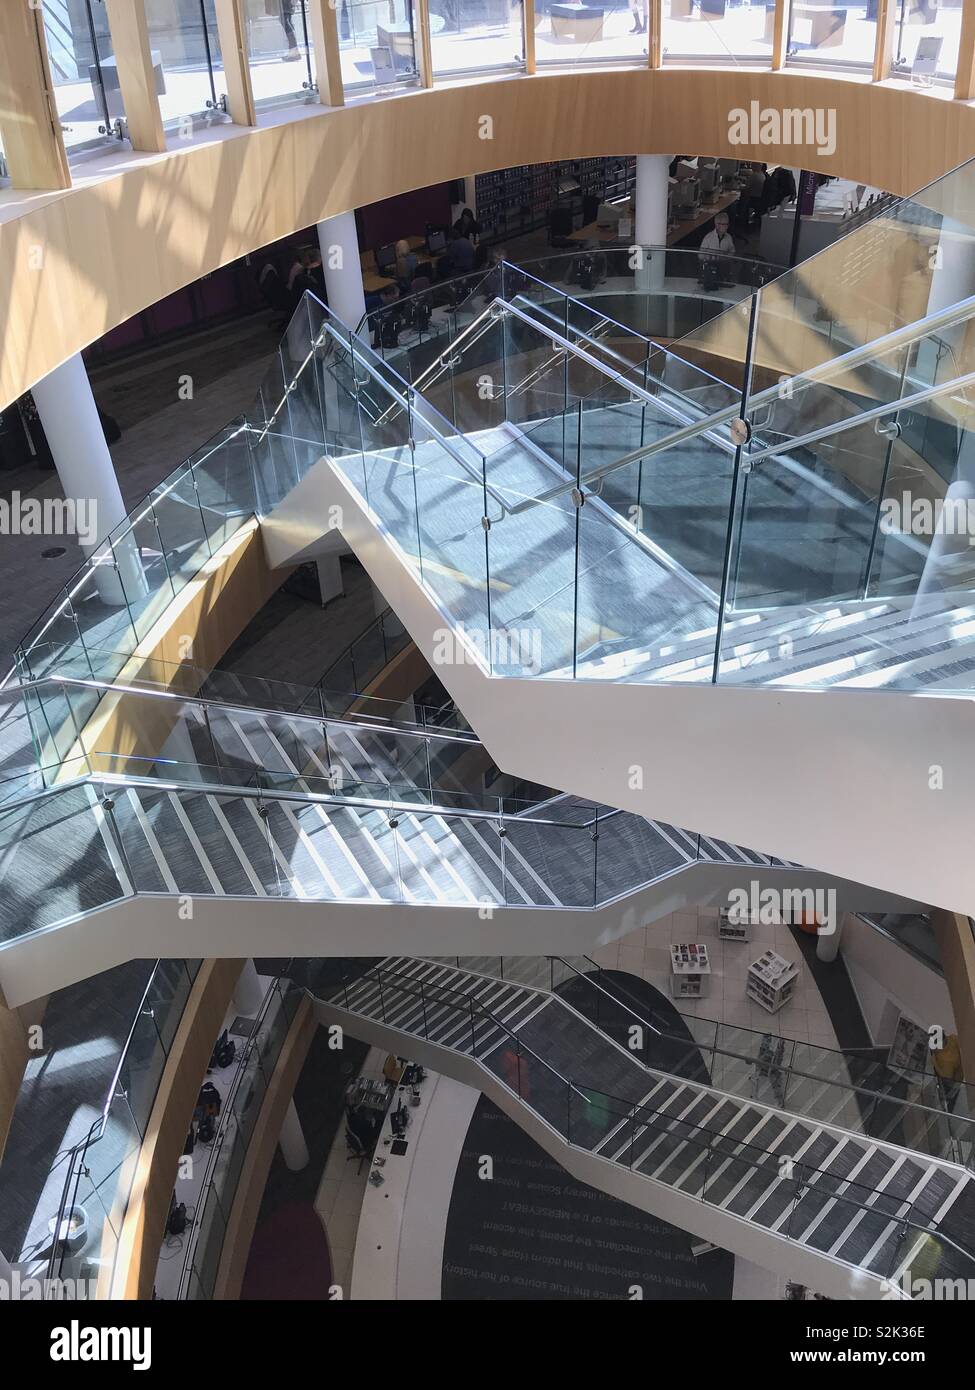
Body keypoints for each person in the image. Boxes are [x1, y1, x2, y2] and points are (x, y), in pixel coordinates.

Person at [698, 211, 735, 289]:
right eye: (724, 224)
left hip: (723, 269)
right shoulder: (708, 238)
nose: (726, 227)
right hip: (710, 270)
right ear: (717, 225)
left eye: (727, 224)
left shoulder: (728, 237)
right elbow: (700, 255)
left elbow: (732, 251)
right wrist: (709, 258)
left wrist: (726, 258)